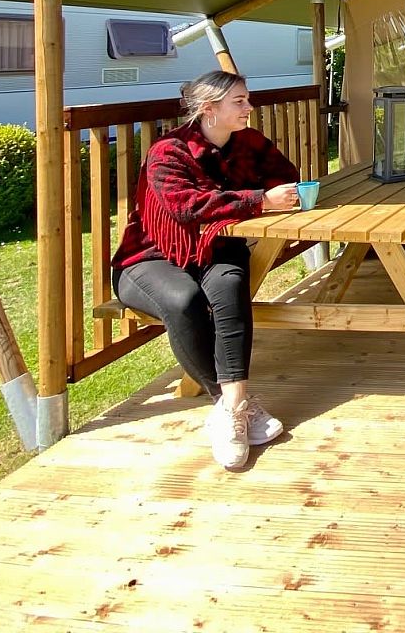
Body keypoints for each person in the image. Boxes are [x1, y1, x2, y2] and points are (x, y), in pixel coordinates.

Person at [111, 70, 300, 469]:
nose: (249, 108)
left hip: (216, 244)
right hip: (150, 257)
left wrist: (273, 192)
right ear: (208, 108)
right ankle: (233, 407)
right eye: (239, 101)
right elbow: (188, 206)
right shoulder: (170, 152)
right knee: (185, 300)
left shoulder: (248, 142)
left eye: (247, 99)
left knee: (231, 286)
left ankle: (232, 410)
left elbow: (286, 175)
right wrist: (259, 200)